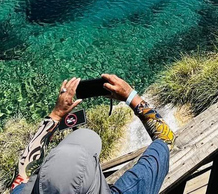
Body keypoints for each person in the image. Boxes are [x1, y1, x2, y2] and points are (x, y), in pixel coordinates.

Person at [11, 75, 174, 194]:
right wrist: (130, 96)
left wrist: (56, 114)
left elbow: (23, 172)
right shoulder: (131, 189)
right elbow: (166, 139)